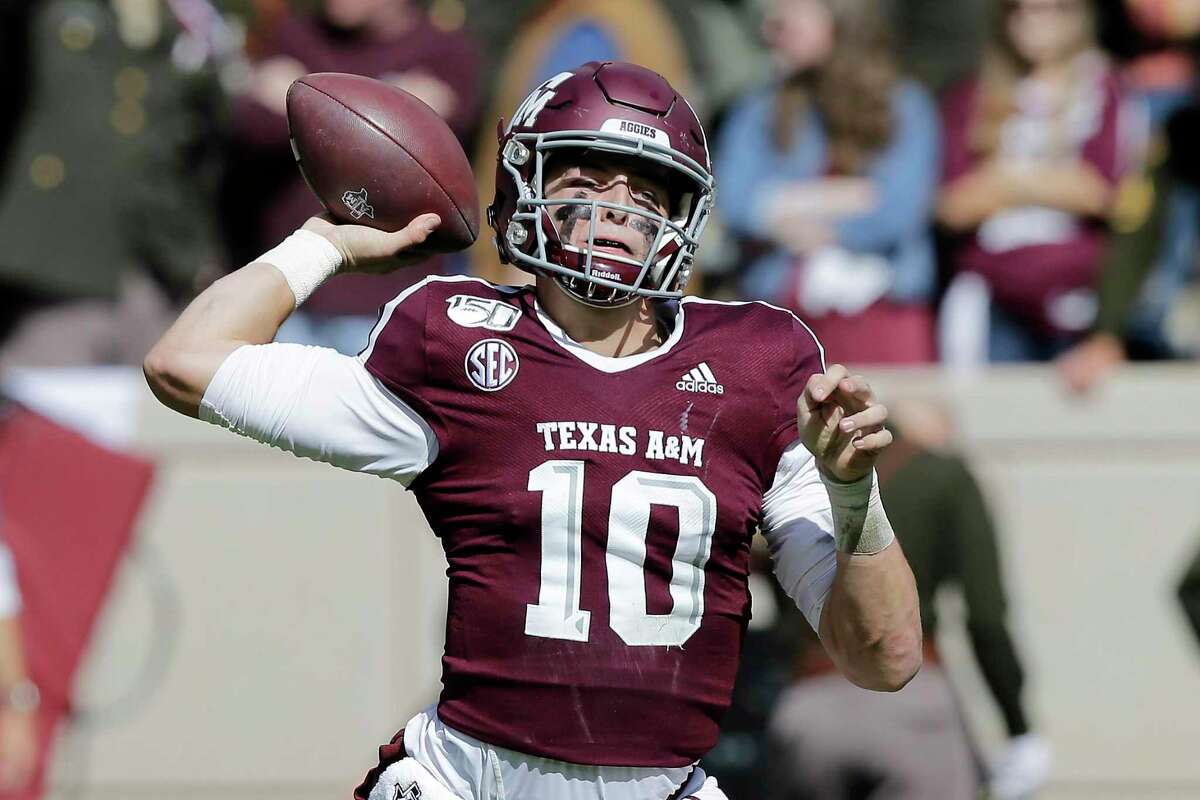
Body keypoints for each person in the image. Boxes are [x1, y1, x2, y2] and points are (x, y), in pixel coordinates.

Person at [143, 61, 922, 800]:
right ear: (525, 189)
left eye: (647, 190)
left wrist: (853, 494)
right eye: (586, 178)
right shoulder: (455, 338)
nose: (617, 208)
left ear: (682, 218)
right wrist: (330, 241)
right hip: (466, 781)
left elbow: (885, 660)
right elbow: (187, 361)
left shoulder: (761, 360)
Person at [766, 405, 1051, 800]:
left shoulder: (794, 474)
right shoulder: (945, 475)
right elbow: (986, 617)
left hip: (807, 703)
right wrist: (1019, 728)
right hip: (914, 707)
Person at [224, 0, 481, 355]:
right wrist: (388, 103)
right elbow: (253, 128)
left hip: (391, 305)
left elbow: (441, 149)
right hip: (290, 296)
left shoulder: (442, 49)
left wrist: (303, 98)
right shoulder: (293, 36)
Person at [715, 0, 941, 365]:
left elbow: (898, 213)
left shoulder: (905, 107)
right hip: (784, 310)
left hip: (883, 313)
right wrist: (850, 197)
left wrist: (785, 208)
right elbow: (735, 202)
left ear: (843, 17)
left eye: (797, 9)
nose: (776, 23)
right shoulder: (759, 109)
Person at [937, 0, 1126, 363]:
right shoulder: (971, 96)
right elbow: (954, 206)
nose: (1034, 21)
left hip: (1076, 299)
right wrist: (1055, 183)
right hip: (994, 295)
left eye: (1051, 9)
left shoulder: (1104, 88)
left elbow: (1102, 193)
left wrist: (1003, 180)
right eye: (1020, 10)